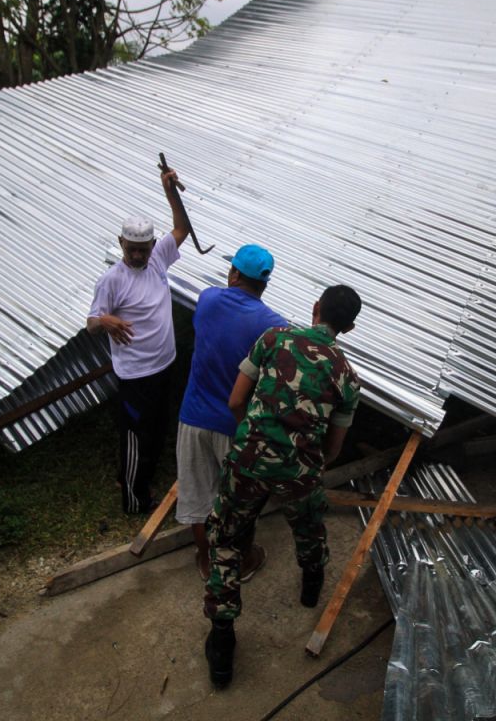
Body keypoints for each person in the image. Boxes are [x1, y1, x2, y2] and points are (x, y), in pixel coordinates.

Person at [202, 285, 364, 688]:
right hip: (299, 469)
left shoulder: (273, 339)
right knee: (309, 526)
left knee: (225, 537)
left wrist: (253, 440)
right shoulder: (347, 376)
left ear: (314, 308)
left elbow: (236, 400)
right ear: (350, 327)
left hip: (248, 459)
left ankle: (222, 643)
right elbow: (335, 448)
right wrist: (302, 462)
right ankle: (311, 586)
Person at [176, 244, 286, 580]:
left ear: (234, 273)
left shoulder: (208, 300)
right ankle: (243, 560)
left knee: (197, 497)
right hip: (236, 426)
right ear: (264, 284)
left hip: (193, 417)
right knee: (240, 502)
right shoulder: (275, 327)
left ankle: (207, 561)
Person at [87, 166, 190, 514]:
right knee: (135, 435)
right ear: (121, 244)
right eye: (131, 250)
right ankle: (134, 499)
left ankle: (135, 477)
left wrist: (171, 192)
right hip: (135, 375)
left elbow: (181, 229)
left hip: (164, 365)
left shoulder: (158, 259)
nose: (137, 256)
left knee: (158, 427)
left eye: (142, 249)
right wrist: (105, 319)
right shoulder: (111, 280)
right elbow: (90, 323)